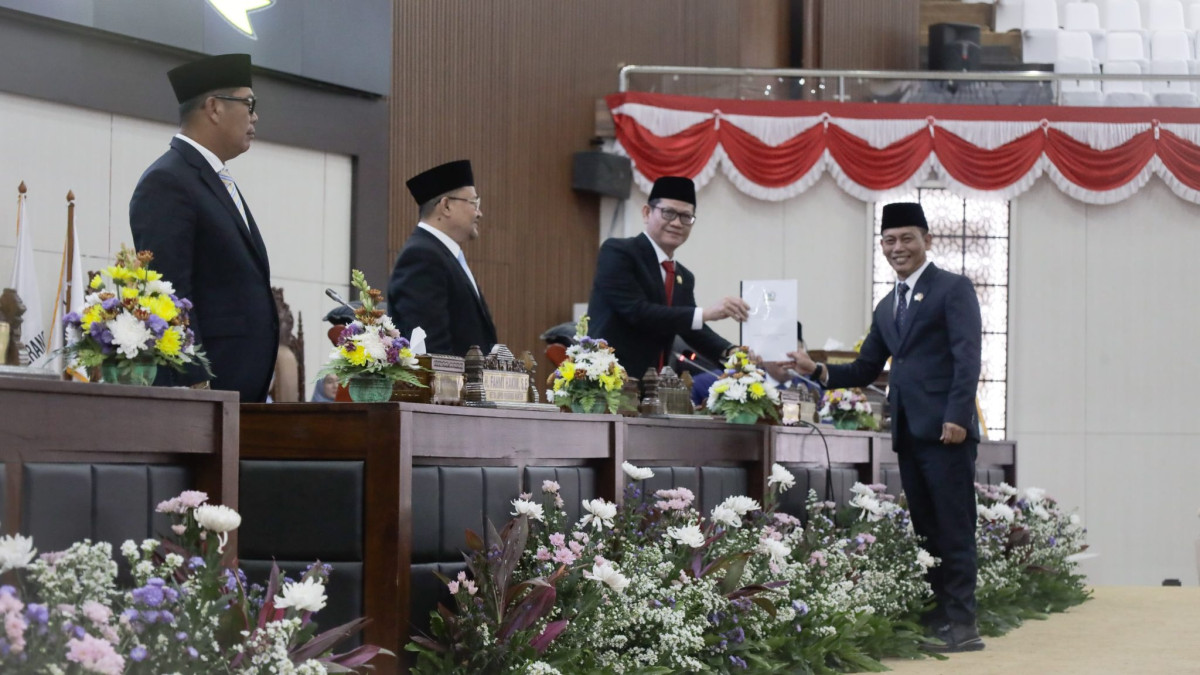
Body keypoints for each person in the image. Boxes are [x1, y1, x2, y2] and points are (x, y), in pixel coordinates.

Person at [786, 202, 983, 652]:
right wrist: (816, 370)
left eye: (908, 238)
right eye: (890, 240)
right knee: (927, 528)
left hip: (947, 430)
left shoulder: (953, 289)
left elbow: (967, 357)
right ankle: (939, 616)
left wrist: (957, 415)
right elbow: (865, 367)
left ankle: (963, 624)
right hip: (909, 432)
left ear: (927, 240)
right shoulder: (886, 304)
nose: (899, 248)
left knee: (954, 526)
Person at [129, 53, 277, 402]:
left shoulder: (215, 178)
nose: (255, 116)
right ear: (214, 108)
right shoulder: (168, 181)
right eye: (248, 103)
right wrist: (193, 381)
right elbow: (168, 295)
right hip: (206, 392)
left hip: (237, 391)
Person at [587, 176, 750, 380]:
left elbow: (690, 328)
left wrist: (730, 351)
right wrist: (707, 313)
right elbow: (637, 311)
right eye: (668, 213)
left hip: (651, 384)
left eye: (685, 217)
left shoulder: (683, 276)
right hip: (608, 377)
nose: (676, 223)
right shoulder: (619, 252)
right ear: (647, 212)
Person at [387, 160, 497, 356]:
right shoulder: (422, 257)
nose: (479, 213)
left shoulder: (442, 255)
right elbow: (431, 350)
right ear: (446, 205)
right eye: (474, 203)